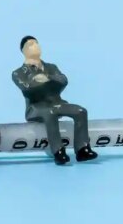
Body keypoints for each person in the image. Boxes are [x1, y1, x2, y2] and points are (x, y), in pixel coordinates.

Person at [11, 36, 98, 165]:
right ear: (23, 51)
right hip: (36, 108)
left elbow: (63, 80)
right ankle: (58, 151)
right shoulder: (18, 73)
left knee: (80, 111)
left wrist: (47, 77)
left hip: (57, 104)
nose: (35, 47)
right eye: (30, 45)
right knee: (50, 112)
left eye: (36, 43)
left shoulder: (51, 67)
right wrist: (39, 81)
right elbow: (27, 87)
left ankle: (82, 149)